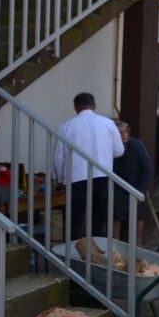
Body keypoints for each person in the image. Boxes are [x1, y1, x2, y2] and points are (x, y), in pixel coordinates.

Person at [54, 92, 124, 240]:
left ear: (76, 107)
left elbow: (59, 157)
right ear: (94, 105)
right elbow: (119, 150)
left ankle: (73, 250)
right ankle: (95, 249)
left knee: (75, 218)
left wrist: (60, 178)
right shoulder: (108, 123)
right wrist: (104, 155)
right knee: (98, 217)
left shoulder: (66, 125)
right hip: (101, 175)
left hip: (76, 177)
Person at [113, 121, 151, 245]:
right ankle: (115, 245)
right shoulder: (111, 145)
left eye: (125, 131)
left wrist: (141, 189)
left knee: (138, 216)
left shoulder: (137, 145)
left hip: (136, 185)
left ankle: (138, 244)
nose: (123, 135)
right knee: (116, 215)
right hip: (118, 187)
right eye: (120, 132)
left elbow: (147, 167)